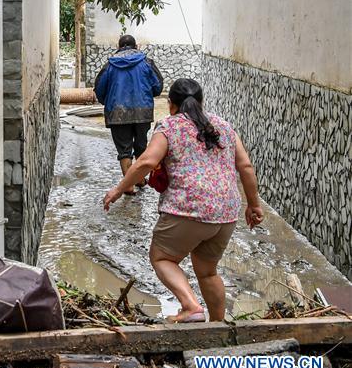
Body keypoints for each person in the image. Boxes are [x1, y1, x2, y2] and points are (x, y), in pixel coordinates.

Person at [103, 78, 264, 322]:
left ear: (171, 105)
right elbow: (246, 166)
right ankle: (218, 327)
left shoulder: (169, 127)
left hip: (188, 209)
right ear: (201, 102)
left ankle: (191, 306)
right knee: (208, 272)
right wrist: (253, 205)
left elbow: (146, 162)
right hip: (226, 213)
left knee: (162, 257)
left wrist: (117, 190)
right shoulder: (224, 126)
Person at [93, 34, 164, 192]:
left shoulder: (110, 65)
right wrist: (145, 96)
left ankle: (130, 185)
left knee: (124, 150)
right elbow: (158, 86)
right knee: (141, 147)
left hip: (117, 113)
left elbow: (99, 89)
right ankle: (138, 179)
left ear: (118, 47)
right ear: (136, 46)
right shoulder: (146, 62)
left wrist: (108, 102)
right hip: (142, 112)